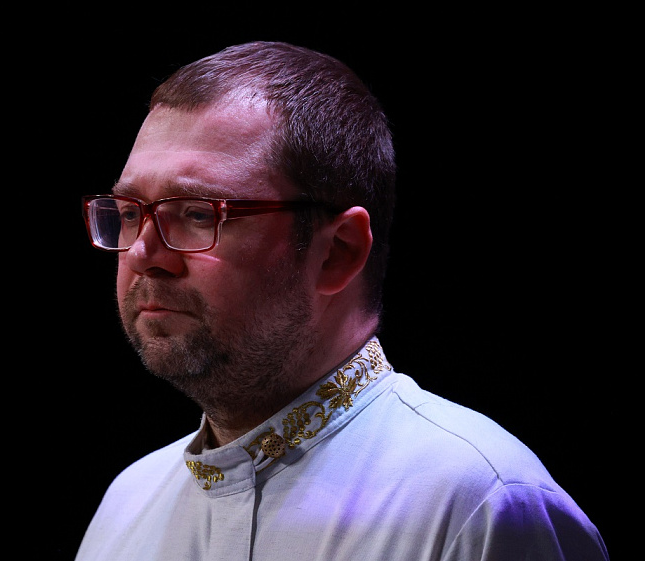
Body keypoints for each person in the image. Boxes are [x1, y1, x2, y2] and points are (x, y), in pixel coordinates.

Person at [76, 41, 608, 560]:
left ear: (338, 252)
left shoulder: (478, 506)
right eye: (129, 212)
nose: (143, 253)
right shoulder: (125, 507)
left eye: (197, 214)